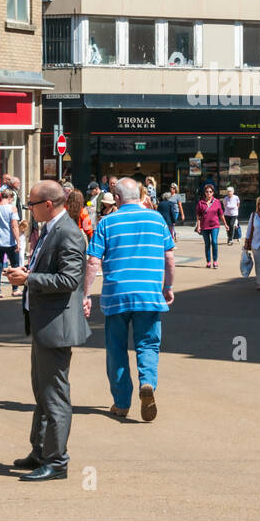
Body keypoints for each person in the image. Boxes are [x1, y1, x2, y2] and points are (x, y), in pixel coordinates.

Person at [1, 180, 89, 482]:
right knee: (42, 391)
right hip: (44, 324)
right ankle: (40, 451)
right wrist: (27, 275)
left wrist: (29, 279)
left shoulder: (69, 234)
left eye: (31, 204)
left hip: (57, 326)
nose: (29, 209)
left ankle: (57, 460)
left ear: (48, 204)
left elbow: (68, 280)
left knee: (54, 395)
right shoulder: (49, 230)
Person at [84, 177, 175, 421]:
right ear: (141, 195)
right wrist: (168, 286)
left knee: (116, 348)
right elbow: (169, 257)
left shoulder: (107, 222)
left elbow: (93, 262)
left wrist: (85, 294)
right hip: (149, 292)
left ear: (118, 198)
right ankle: (148, 383)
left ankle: (122, 402)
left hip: (116, 294)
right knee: (148, 344)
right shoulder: (157, 220)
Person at [0, 187, 23, 299]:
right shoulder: (12, 208)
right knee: (15, 265)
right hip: (9, 241)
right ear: (9, 197)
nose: (12, 201)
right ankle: (15, 289)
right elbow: (14, 225)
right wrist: (18, 241)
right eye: (12, 198)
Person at [195, 183, 224, 269]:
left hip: (215, 225)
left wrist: (225, 224)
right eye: (207, 191)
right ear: (205, 193)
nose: (208, 193)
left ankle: (215, 261)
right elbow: (198, 216)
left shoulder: (217, 202)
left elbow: (221, 214)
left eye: (210, 191)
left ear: (213, 193)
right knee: (207, 244)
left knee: (214, 242)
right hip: (204, 226)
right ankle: (208, 262)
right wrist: (199, 226)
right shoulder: (201, 203)